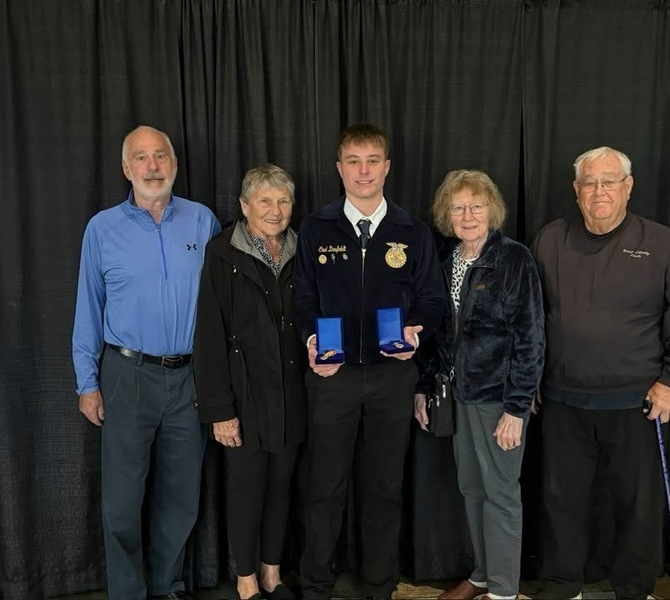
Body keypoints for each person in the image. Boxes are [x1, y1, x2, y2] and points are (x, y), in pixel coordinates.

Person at [531, 146, 670, 600]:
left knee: (636, 507)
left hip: (638, 403)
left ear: (628, 187)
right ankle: (562, 584)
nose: (599, 191)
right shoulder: (550, 240)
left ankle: (634, 589)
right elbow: (528, 320)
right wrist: (527, 383)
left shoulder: (663, 245)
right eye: (590, 183)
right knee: (560, 502)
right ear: (575, 191)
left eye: (609, 181)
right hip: (562, 401)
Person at [293, 123, 447, 600]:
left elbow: (434, 300)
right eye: (354, 162)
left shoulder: (412, 231)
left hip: (391, 378)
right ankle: (316, 584)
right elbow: (302, 297)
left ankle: (379, 585)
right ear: (339, 168)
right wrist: (312, 338)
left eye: (372, 161)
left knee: (383, 488)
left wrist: (415, 328)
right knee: (324, 486)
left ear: (387, 167)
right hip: (331, 378)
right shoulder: (316, 229)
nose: (364, 172)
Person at [72, 125, 221, 599]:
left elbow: (222, 308)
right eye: (142, 157)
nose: (152, 166)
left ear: (175, 165)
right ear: (126, 168)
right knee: (121, 502)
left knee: (180, 498)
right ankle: (128, 594)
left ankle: (166, 587)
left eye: (161, 156)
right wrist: (86, 382)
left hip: (190, 378)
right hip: (125, 374)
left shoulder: (203, 221)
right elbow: (87, 309)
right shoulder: (102, 229)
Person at [413, 170, 545, 600]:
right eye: (458, 207)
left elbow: (531, 337)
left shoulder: (513, 259)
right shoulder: (447, 258)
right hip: (457, 397)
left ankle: (504, 592)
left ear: (492, 210)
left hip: (498, 400)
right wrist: (426, 386)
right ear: (446, 215)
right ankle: (483, 575)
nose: (468, 215)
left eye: (476, 206)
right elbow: (440, 334)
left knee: (502, 494)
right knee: (472, 489)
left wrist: (517, 407)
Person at [193, 164, 306, 600]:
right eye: (265, 201)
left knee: (281, 487)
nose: (275, 210)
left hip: (293, 393)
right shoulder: (222, 253)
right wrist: (220, 410)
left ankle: (272, 573)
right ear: (244, 206)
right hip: (244, 396)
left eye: (283, 201)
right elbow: (209, 334)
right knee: (246, 488)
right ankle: (245, 580)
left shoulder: (304, 249)